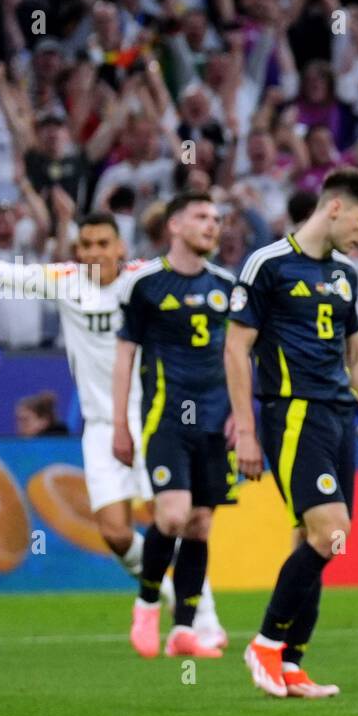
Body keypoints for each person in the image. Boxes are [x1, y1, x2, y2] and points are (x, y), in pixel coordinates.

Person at [0, 209, 228, 649]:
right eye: (86, 245)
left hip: (156, 419)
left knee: (176, 519)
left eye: (104, 243)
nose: (95, 253)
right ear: (76, 250)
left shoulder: (146, 281)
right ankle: (175, 598)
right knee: (117, 534)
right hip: (102, 426)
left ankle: (204, 620)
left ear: (121, 247)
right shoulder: (65, 280)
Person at [225, 167, 358, 699]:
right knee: (330, 530)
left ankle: (292, 662)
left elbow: (357, 352)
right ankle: (266, 644)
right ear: (335, 207)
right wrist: (246, 431)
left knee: (319, 539)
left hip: (338, 416)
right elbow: (235, 348)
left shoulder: (345, 275)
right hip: (292, 413)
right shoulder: (268, 264)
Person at [112, 191, 238, 661]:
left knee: (201, 525)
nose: (213, 225)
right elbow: (125, 357)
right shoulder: (146, 284)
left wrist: (241, 419)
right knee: (171, 516)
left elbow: (239, 356)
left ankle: (184, 628)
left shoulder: (228, 286)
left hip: (214, 421)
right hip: (166, 417)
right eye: (202, 217)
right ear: (175, 226)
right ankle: (146, 603)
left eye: (217, 218)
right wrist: (120, 425)